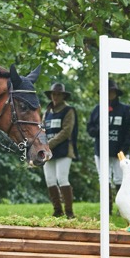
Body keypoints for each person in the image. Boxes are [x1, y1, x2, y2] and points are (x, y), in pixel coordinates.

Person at [86, 79, 130, 213]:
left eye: (111, 91)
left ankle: (123, 209)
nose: (109, 94)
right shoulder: (97, 109)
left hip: (120, 151)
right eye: (106, 91)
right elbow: (90, 129)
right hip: (101, 151)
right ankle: (106, 209)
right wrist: (100, 129)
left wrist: (123, 149)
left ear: (116, 93)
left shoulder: (124, 109)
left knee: (121, 179)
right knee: (104, 178)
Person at [42, 83, 79, 218]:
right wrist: (41, 146)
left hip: (64, 150)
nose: (55, 97)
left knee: (62, 178)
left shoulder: (69, 110)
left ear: (63, 96)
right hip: (48, 151)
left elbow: (66, 131)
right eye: (53, 94)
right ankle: (57, 211)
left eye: (58, 94)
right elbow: (42, 130)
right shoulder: (46, 112)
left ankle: (69, 212)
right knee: (50, 180)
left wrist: (48, 144)